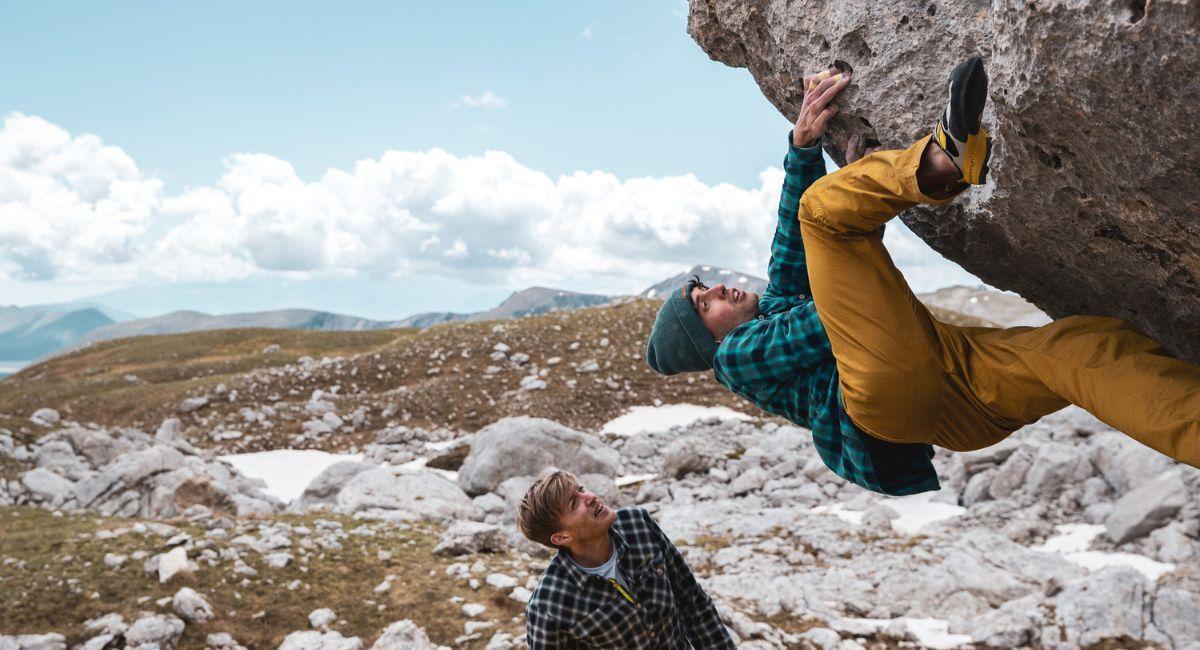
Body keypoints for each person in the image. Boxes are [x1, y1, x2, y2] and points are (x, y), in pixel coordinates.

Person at [645, 57, 1200, 496]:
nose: (715, 289)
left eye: (704, 286)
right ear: (709, 339)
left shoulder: (768, 314)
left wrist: (802, 151)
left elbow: (789, 258)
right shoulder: (736, 360)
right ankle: (944, 162)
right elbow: (833, 313)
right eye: (703, 304)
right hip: (881, 403)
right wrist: (858, 235)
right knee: (824, 215)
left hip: (959, 402)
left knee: (1085, 348)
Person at [517, 470, 735, 649]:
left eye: (581, 489)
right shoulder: (548, 605)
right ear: (562, 537)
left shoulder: (638, 523)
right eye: (575, 503)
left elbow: (693, 602)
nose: (591, 497)